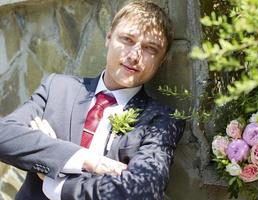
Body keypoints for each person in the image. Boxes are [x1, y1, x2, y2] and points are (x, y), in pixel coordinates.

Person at [0, 1, 185, 199]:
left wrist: (57, 182)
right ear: (108, 37)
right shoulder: (57, 88)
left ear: (161, 60)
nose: (134, 56)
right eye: (127, 39)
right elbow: (4, 135)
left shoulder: (162, 120)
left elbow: (142, 191)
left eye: (150, 49)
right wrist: (88, 161)